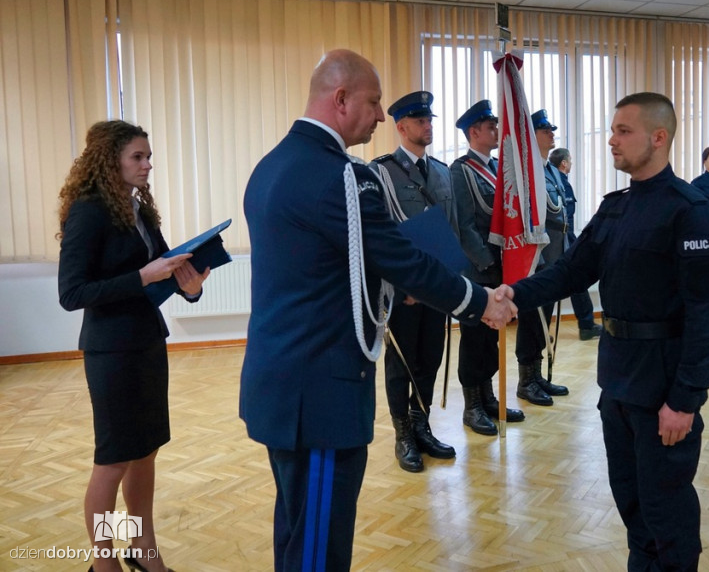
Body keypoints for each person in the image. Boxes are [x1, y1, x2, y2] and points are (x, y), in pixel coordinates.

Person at [239, 50, 515, 572]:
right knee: (319, 547)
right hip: (321, 394)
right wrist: (480, 302)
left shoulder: (272, 165)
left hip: (282, 384)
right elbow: (402, 258)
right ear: (340, 99)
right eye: (374, 101)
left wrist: (390, 286)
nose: (383, 114)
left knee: (298, 529)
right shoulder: (343, 176)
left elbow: (318, 267)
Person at [496, 92, 709, 571]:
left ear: (658, 137)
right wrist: (512, 296)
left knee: (667, 508)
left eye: (624, 131)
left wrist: (686, 399)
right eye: (613, 130)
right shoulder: (616, 206)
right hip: (618, 381)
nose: (611, 140)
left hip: (663, 387)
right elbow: (571, 271)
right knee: (631, 500)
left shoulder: (691, 211)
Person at [58, 120, 210, 572]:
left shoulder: (139, 210)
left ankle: (144, 551)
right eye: (137, 157)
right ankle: (103, 563)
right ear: (111, 161)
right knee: (113, 462)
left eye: (148, 157)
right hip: (111, 352)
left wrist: (191, 286)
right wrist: (142, 277)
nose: (148, 165)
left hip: (146, 343)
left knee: (145, 453)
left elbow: (160, 271)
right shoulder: (89, 211)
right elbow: (73, 293)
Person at [370, 90, 459, 473]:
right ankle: (402, 433)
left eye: (430, 120)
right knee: (401, 362)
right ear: (401, 126)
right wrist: (402, 286)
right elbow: (381, 236)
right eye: (420, 121)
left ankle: (422, 424)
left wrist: (452, 281)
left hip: (436, 287)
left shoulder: (441, 171)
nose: (428, 126)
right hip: (404, 290)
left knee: (430, 357)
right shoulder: (381, 172)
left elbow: (451, 230)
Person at [450, 99, 526, 435]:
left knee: (492, 340)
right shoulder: (460, 170)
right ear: (474, 132)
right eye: (490, 126)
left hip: (500, 267)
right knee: (474, 338)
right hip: (478, 270)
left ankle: (488, 397)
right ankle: (472, 406)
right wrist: (490, 264)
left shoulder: (498, 169)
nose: (497, 130)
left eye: (496, 124)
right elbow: (464, 226)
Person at [513, 109, 571, 406]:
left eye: (551, 129)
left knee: (544, 318)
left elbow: (563, 213)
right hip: (537, 257)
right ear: (531, 134)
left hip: (555, 254)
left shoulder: (549, 169)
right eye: (545, 129)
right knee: (532, 319)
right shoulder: (526, 171)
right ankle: (526, 380)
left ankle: (537, 375)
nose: (551, 133)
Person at [549, 147, 603, 340]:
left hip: (563, 240)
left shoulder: (556, 180)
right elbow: (564, 220)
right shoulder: (559, 183)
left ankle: (586, 324)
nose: (571, 163)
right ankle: (586, 324)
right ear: (564, 163)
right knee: (571, 280)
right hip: (561, 241)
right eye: (569, 160)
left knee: (568, 281)